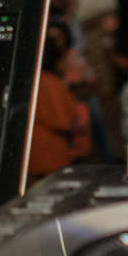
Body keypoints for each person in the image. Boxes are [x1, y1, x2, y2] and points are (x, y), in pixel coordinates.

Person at [27, 34, 92, 181]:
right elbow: (63, 121)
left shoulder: (34, 80)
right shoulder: (50, 82)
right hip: (52, 155)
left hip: (38, 155)